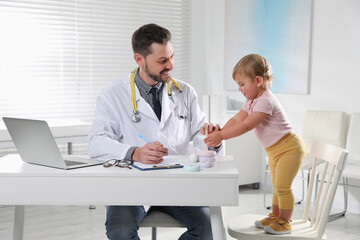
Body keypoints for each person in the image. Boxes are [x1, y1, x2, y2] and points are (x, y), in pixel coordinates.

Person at [88, 23, 221, 240]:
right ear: (139, 60)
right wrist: (134, 152)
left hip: (177, 184)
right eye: (162, 61)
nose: (171, 65)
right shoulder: (113, 94)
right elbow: (96, 141)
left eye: (171, 57)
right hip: (132, 188)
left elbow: (200, 137)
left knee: (208, 231)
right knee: (120, 232)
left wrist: (212, 139)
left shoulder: (185, 92)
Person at [204, 54, 306, 235]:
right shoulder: (251, 101)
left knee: (283, 187)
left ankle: (285, 221)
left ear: (258, 81)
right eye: (238, 85)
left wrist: (222, 136)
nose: (239, 89)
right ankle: (276, 216)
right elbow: (237, 119)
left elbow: (246, 125)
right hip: (275, 150)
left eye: (242, 84)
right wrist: (220, 132)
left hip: (289, 147)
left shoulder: (265, 101)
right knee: (277, 186)